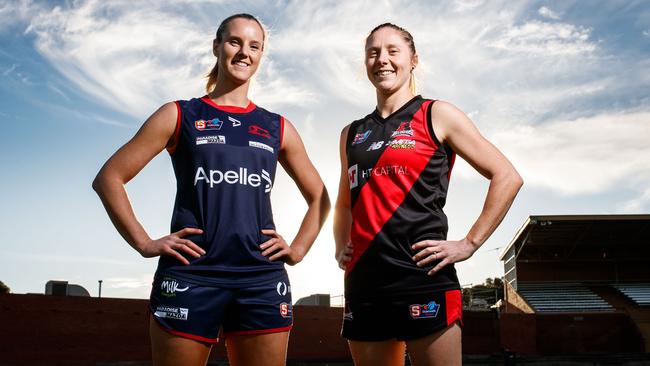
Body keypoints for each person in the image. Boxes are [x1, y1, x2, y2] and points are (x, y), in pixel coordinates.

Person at [93, 13, 330, 366]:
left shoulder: (277, 126)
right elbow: (109, 178)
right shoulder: (179, 114)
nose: (243, 53)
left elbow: (320, 198)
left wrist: (297, 249)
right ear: (216, 46)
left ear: (261, 54)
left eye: (254, 46)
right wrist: (144, 243)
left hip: (261, 278)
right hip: (191, 274)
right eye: (235, 42)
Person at [333, 23, 523, 366]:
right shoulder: (351, 133)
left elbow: (507, 176)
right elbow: (345, 202)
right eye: (373, 52)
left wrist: (470, 243)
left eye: (393, 51)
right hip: (364, 283)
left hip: (422, 277)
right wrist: (339, 244)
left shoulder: (437, 114)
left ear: (413, 60)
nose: (382, 60)